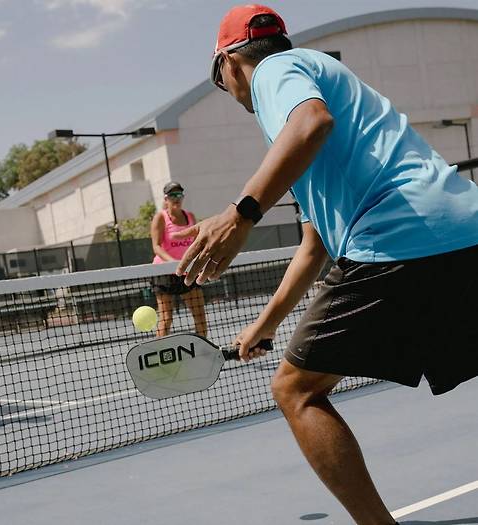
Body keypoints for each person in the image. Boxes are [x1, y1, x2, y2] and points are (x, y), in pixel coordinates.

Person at [174, 5, 478, 525]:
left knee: (295, 391)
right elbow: (316, 244)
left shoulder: (276, 72)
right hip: (466, 229)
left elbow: (312, 121)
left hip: (394, 240)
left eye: (220, 80)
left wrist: (241, 212)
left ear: (227, 64)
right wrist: (264, 325)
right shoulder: (323, 101)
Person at [150, 182, 207, 337]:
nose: (176, 198)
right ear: (166, 199)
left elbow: (197, 243)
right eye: (172, 195)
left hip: (187, 272)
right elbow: (156, 247)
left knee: (200, 318)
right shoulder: (160, 218)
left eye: (179, 195)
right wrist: (173, 264)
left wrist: (197, 262)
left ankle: (203, 354)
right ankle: (159, 354)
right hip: (165, 273)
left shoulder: (190, 217)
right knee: (166, 319)